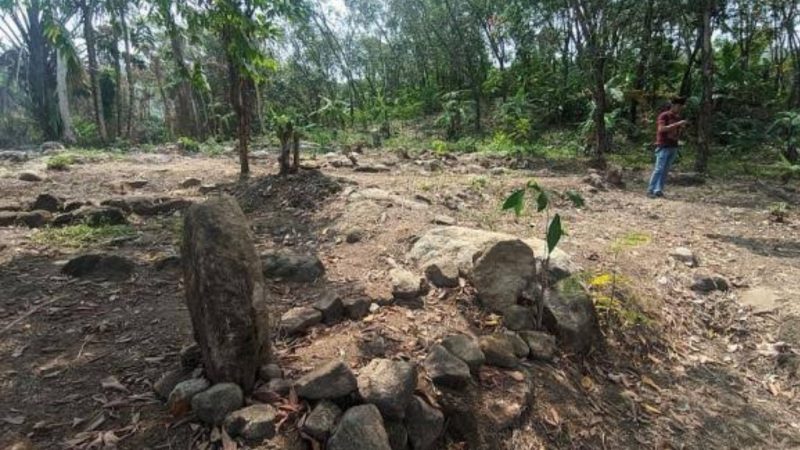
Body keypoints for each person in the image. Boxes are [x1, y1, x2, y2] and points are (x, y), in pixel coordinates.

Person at [648, 96, 689, 198]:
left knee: (665, 170)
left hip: (673, 146)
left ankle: (659, 190)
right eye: (678, 106)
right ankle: (650, 190)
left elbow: (677, 132)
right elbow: (661, 129)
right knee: (659, 169)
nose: (679, 109)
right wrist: (677, 124)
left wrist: (681, 128)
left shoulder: (677, 118)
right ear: (673, 106)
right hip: (663, 145)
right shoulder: (664, 116)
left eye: (681, 107)